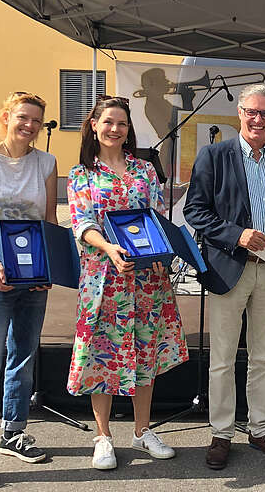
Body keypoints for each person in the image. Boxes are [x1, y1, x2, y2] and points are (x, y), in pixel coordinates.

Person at [183, 84, 265, 470]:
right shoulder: (214, 156)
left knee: (263, 356)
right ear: (239, 113)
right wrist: (236, 235)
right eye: (251, 112)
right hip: (228, 270)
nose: (257, 119)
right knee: (221, 358)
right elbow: (195, 211)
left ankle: (260, 428)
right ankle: (221, 433)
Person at [67, 96, 188, 470]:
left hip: (146, 279)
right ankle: (103, 436)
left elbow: (156, 218)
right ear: (93, 125)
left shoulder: (144, 170)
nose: (114, 129)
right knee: (102, 356)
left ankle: (142, 429)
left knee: (145, 354)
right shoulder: (81, 174)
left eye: (121, 124)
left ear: (127, 130)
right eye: (108, 122)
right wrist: (109, 247)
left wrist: (162, 255)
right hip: (104, 277)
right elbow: (82, 223)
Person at [0, 92, 57, 478]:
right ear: (6, 117)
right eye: (22, 117)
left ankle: (14, 433)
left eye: (36, 120)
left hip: (32, 279)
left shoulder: (47, 162)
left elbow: (50, 221)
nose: (29, 125)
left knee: (23, 358)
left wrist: (49, 268)